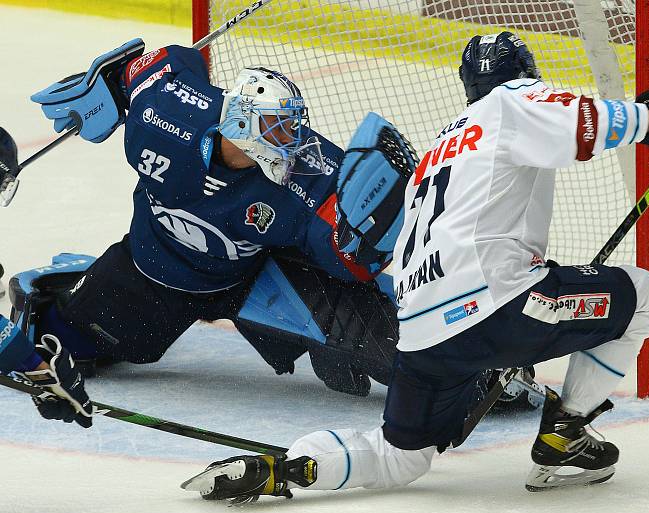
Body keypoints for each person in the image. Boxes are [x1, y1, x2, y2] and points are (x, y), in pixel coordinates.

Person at [182, 31, 649, 501]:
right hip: (498, 305)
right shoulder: (512, 100)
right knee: (642, 293)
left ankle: (291, 466)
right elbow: (578, 122)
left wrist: (643, 121)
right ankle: (564, 431)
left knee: (401, 458)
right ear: (527, 77)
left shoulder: (444, 144)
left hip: (418, 336)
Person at [13, 38, 404, 413]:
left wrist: (366, 243)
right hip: (154, 271)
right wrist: (111, 82)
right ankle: (64, 285)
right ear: (240, 124)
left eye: (292, 125)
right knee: (71, 347)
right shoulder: (163, 112)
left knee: (392, 351)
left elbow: (346, 255)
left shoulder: (310, 171)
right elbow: (167, 63)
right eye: (276, 126)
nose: (292, 139)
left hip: (252, 277)